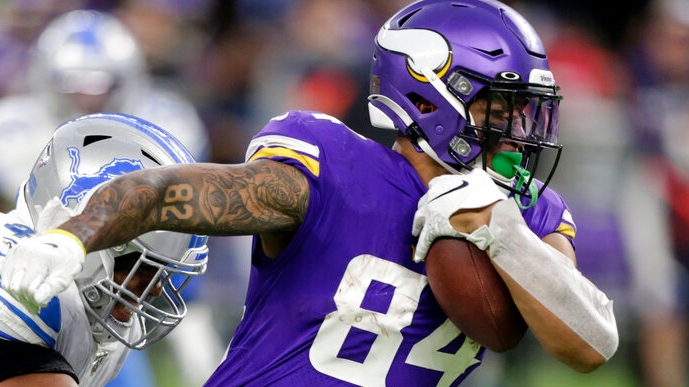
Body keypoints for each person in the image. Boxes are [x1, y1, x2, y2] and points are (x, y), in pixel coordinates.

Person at [0, 1, 619, 386]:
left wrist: (502, 234)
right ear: (430, 96)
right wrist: (71, 234)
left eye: (524, 109)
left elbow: (591, 343)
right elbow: (168, 193)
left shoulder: (527, 213)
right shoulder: (330, 168)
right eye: (500, 106)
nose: (517, 128)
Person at [0, 112, 209, 386]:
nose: (156, 288)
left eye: (161, 271)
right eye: (145, 267)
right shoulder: (25, 293)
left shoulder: (99, 321)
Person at [0, 9, 210, 209]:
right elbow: (25, 197)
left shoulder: (168, 117)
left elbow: (175, 192)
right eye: (76, 88)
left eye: (102, 86)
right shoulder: (13, 123)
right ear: (47, 80)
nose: (90, 101)